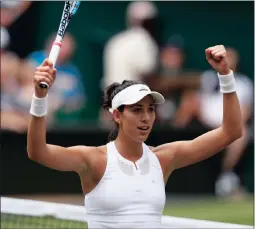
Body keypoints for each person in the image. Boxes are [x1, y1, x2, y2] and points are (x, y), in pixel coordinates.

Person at [27, 45, 242, 228]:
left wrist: (225, 74)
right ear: (117, 115)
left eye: (150, 110)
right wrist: (39, 97)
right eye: (137, 110)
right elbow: (38, 152)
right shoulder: (94, 160)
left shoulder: (163, 158)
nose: (146, 118)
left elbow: (231, 131)